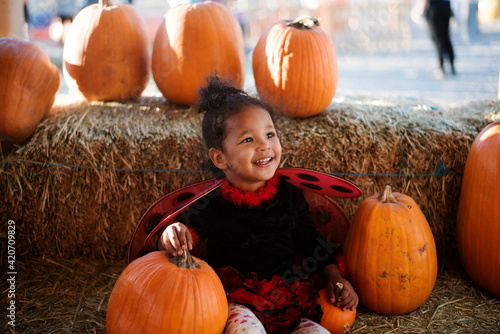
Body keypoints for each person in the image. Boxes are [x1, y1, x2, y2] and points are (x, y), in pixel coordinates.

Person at [156, 74, 358, 333]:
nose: (264, 145)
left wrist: (336, 278)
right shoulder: (211, 202)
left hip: (287, 300)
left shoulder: (290, 195)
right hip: (236, 302)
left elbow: (312, 243)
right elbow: (183, 240)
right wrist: (169, 234)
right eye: (248, 140)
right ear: (220, 158)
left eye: (270, 134)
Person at [424, 0, 457, 77]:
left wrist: (421, 10)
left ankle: (441, 66)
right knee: (446, 37)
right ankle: (452, 64)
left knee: (437, 38)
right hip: (446, 6)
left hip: (434, 7)